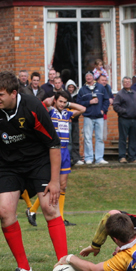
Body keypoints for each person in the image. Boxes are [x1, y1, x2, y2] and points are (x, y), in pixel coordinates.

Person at [0, 71, 66, 271]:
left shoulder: (33, 107)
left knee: (49, 207)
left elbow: (53, 144)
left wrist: (54, 181)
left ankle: (64, 264)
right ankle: (24, 269)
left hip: (38, 162)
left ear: (14, 93)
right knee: (4, 211)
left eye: (0, 94)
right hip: (9, 165)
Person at [26, 91, 86, 227]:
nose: (63, 104)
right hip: (53, 150)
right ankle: (32, 210)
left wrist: (68, 104)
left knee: (63, 186)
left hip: (65, 152)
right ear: (55, 101)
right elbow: (42, 105)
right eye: (60, 101)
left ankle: (61, 218)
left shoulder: (67, 113)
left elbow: (83, 109)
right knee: (50, 183)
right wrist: (51, 101)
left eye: (65, 102)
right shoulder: (50, 111)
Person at [78, 71, 110, 165]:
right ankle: (89, 158)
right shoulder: (82, 90)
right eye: (87, 76)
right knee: (87, 138)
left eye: (90, 76)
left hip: (99, 117)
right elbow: (79, 103)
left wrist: (103, 110)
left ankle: (99, 158)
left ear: (93, 77)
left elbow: (106, 100)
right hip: (88, 117)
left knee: (99, 138)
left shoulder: (101, 87)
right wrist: (89, 102)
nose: (88, 77)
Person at [113, 77, 136, 163]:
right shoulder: (120, 94)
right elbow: (116, 106)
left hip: (135, 119)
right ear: (123, 83)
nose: (127, 83)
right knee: (123, 138)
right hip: (124, 119)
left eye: (129, 82)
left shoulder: (134, 93)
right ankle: (122, 157)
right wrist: (125, 111)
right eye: (125, 82)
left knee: (134, 139)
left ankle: (132, 157)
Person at [66, 80, 83, 166]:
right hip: (67, 120)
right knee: (68, 141)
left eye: (72, 87)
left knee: (75, 139)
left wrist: (74, 116)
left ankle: (76, 158)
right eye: (69, 87)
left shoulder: (77, 97)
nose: (71, 89)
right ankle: (68, 158)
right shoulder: (65, 96)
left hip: (75, 120)